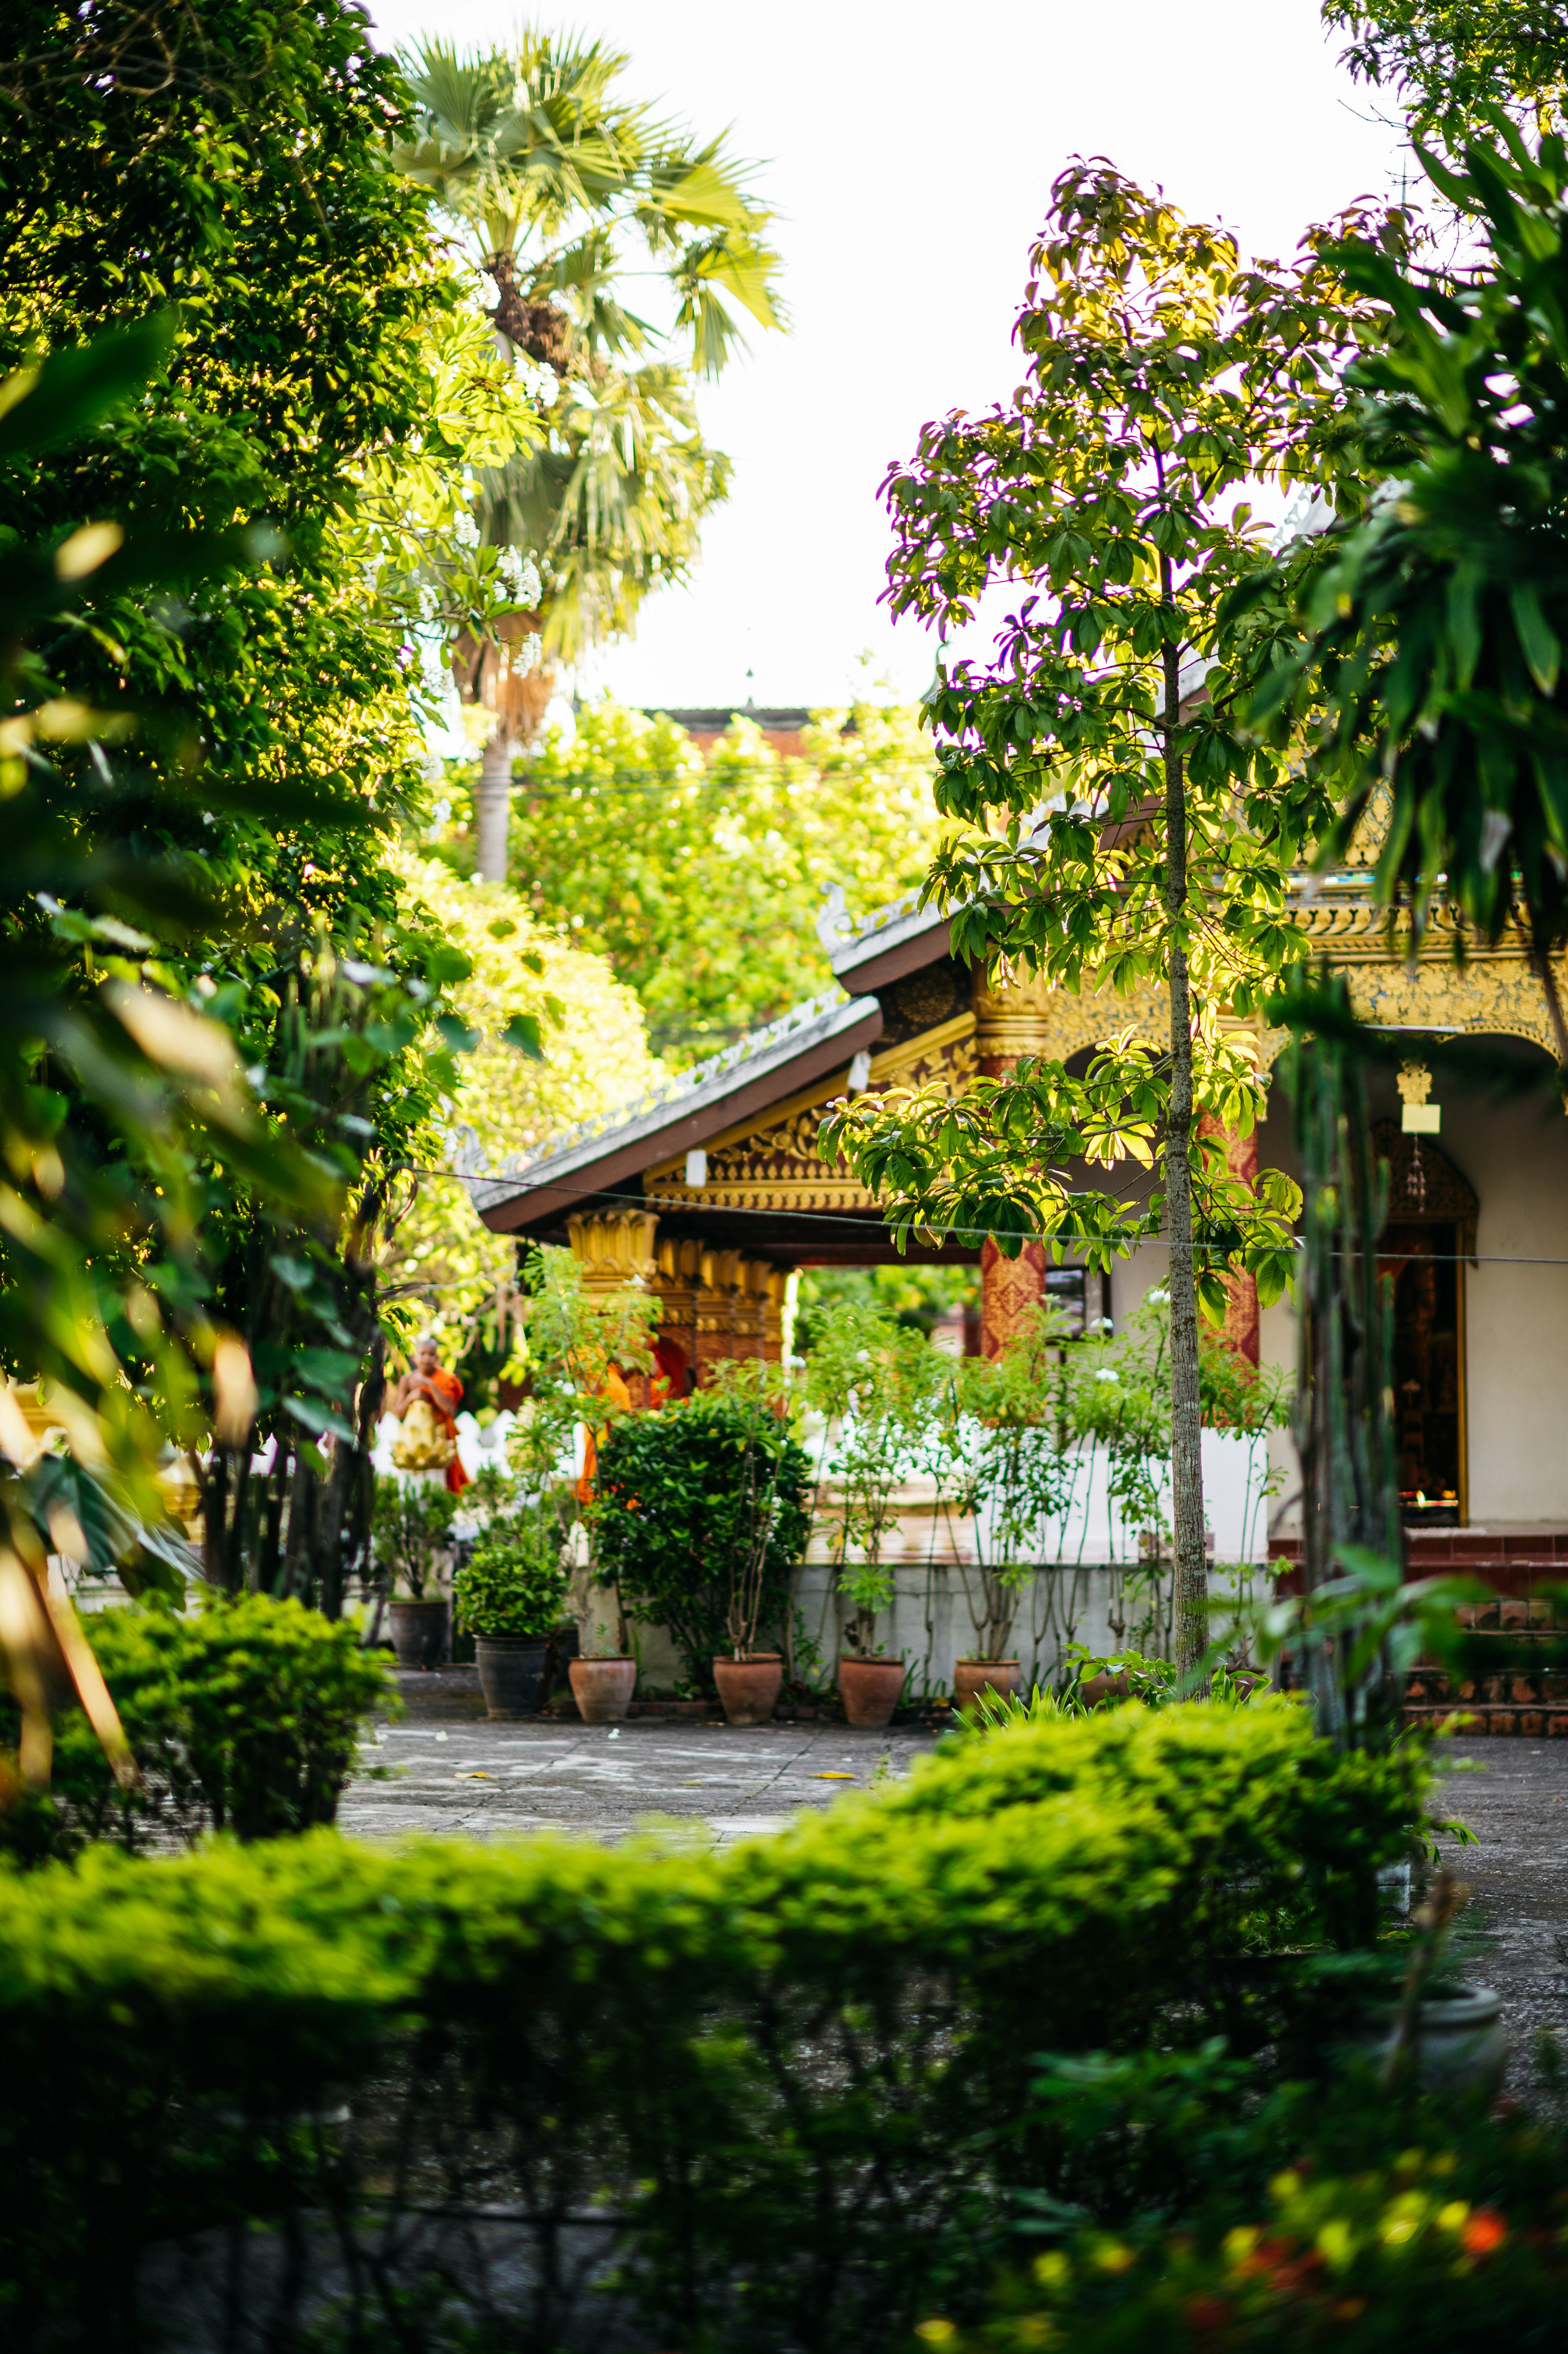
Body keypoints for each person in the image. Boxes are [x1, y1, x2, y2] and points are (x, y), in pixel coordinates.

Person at [390, 1332, 471, 1494]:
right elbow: (399, 1414)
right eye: (423, 1354)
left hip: (439, 1437)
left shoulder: (446, 1379)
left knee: (445, 1481)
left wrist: (430, 1385)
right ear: (415, 1357)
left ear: (438, 1358)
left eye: (431, 1354)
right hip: (415, 1439)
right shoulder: (408, 1380)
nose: (427, 1358)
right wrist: (412, 1397)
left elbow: (448, 1407)